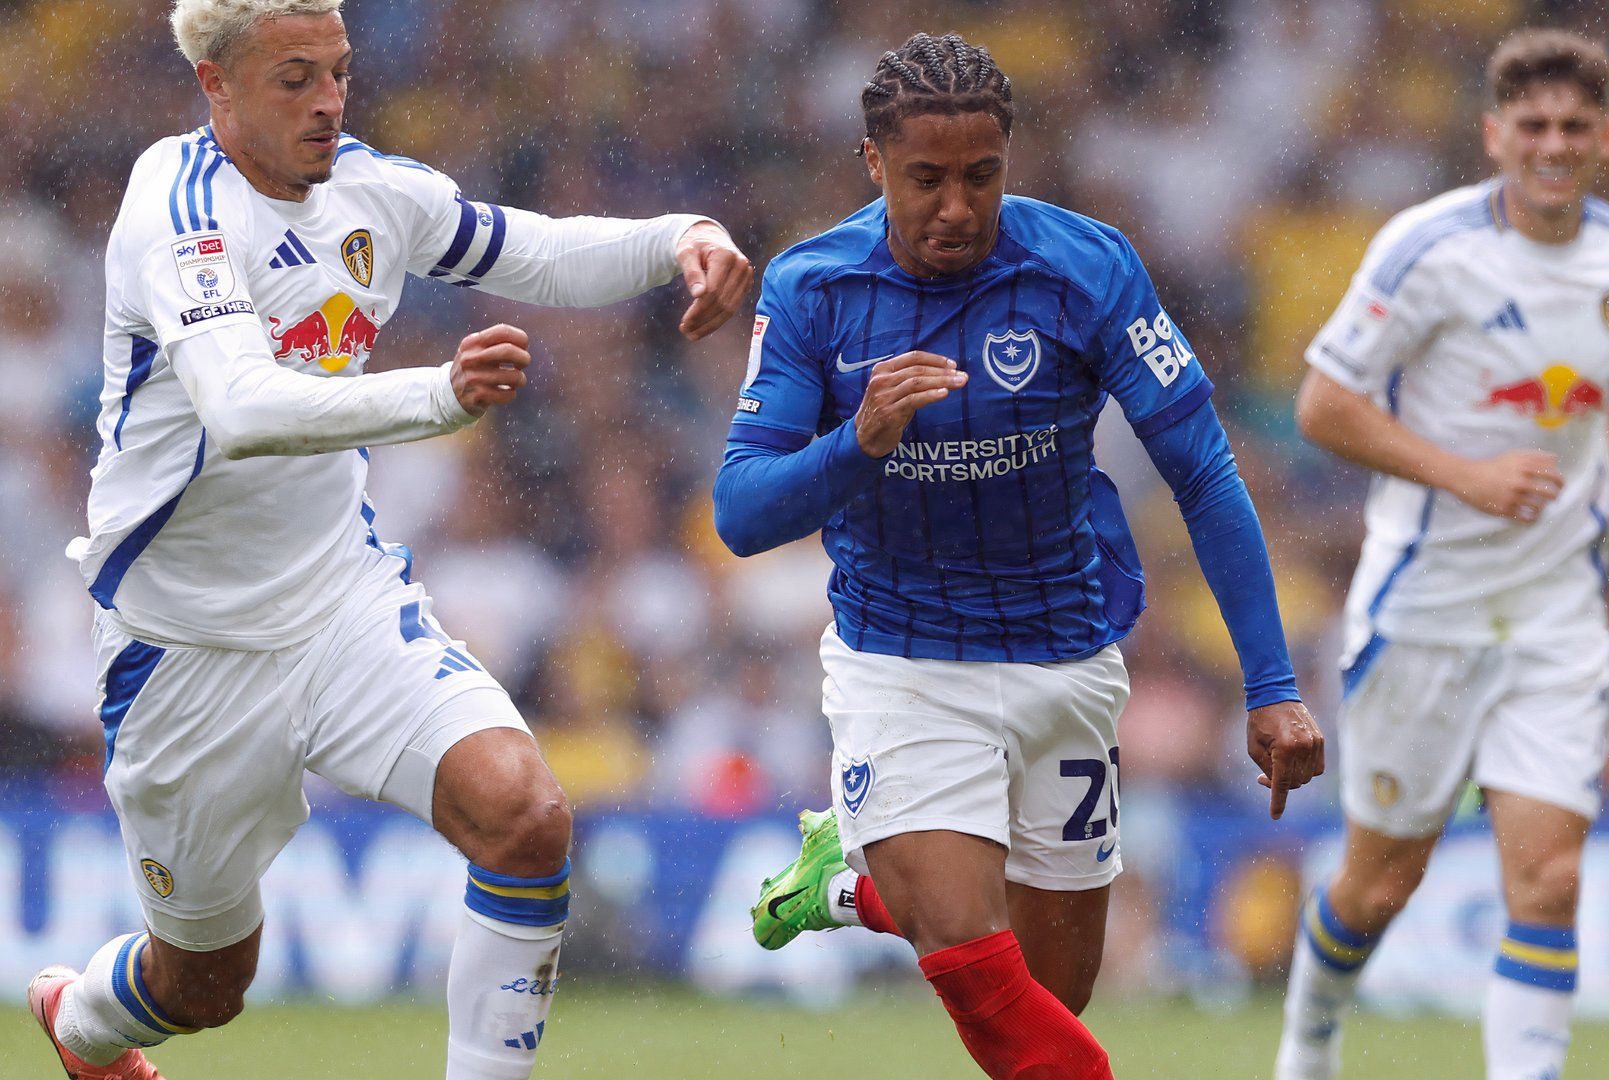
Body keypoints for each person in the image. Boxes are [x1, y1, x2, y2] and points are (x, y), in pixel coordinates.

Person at [26, 2, 752, 1078]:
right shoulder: (174, 210)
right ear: (215, 85)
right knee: (204, 985)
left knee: (525, 814)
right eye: (294, 79)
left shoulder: (373, 191)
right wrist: (436, 396)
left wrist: (678, 237)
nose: (328, 101)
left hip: (339, 606)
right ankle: (83, 1025)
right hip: (186, 650)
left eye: (340, 72)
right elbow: (242, 407)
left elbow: (536, 252)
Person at [713, 33, 1323, 1080]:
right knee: (1004, 1003)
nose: (957, 206)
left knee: (1046, 999)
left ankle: (848, 884)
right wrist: (855, 443)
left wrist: (1271, 686)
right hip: (902, 663)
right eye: (927, 180)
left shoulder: (1085, 269)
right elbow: (741, 511)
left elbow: (1206, 474)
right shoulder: (813, 287)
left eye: (981, 177)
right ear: (873, 163)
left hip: (1066, 661)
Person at [1274, 29, 1609, 1080]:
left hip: (1554, 617)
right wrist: (1465, 474)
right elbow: (1323, 405)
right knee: (1377, 888)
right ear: (1494, 134)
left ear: (1606, 138)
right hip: (1425, 611)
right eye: (1532, 125)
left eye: (1574, 128)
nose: (1553, 144)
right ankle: (1308, 1045)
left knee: (1548, 880)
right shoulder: (1425, 250)